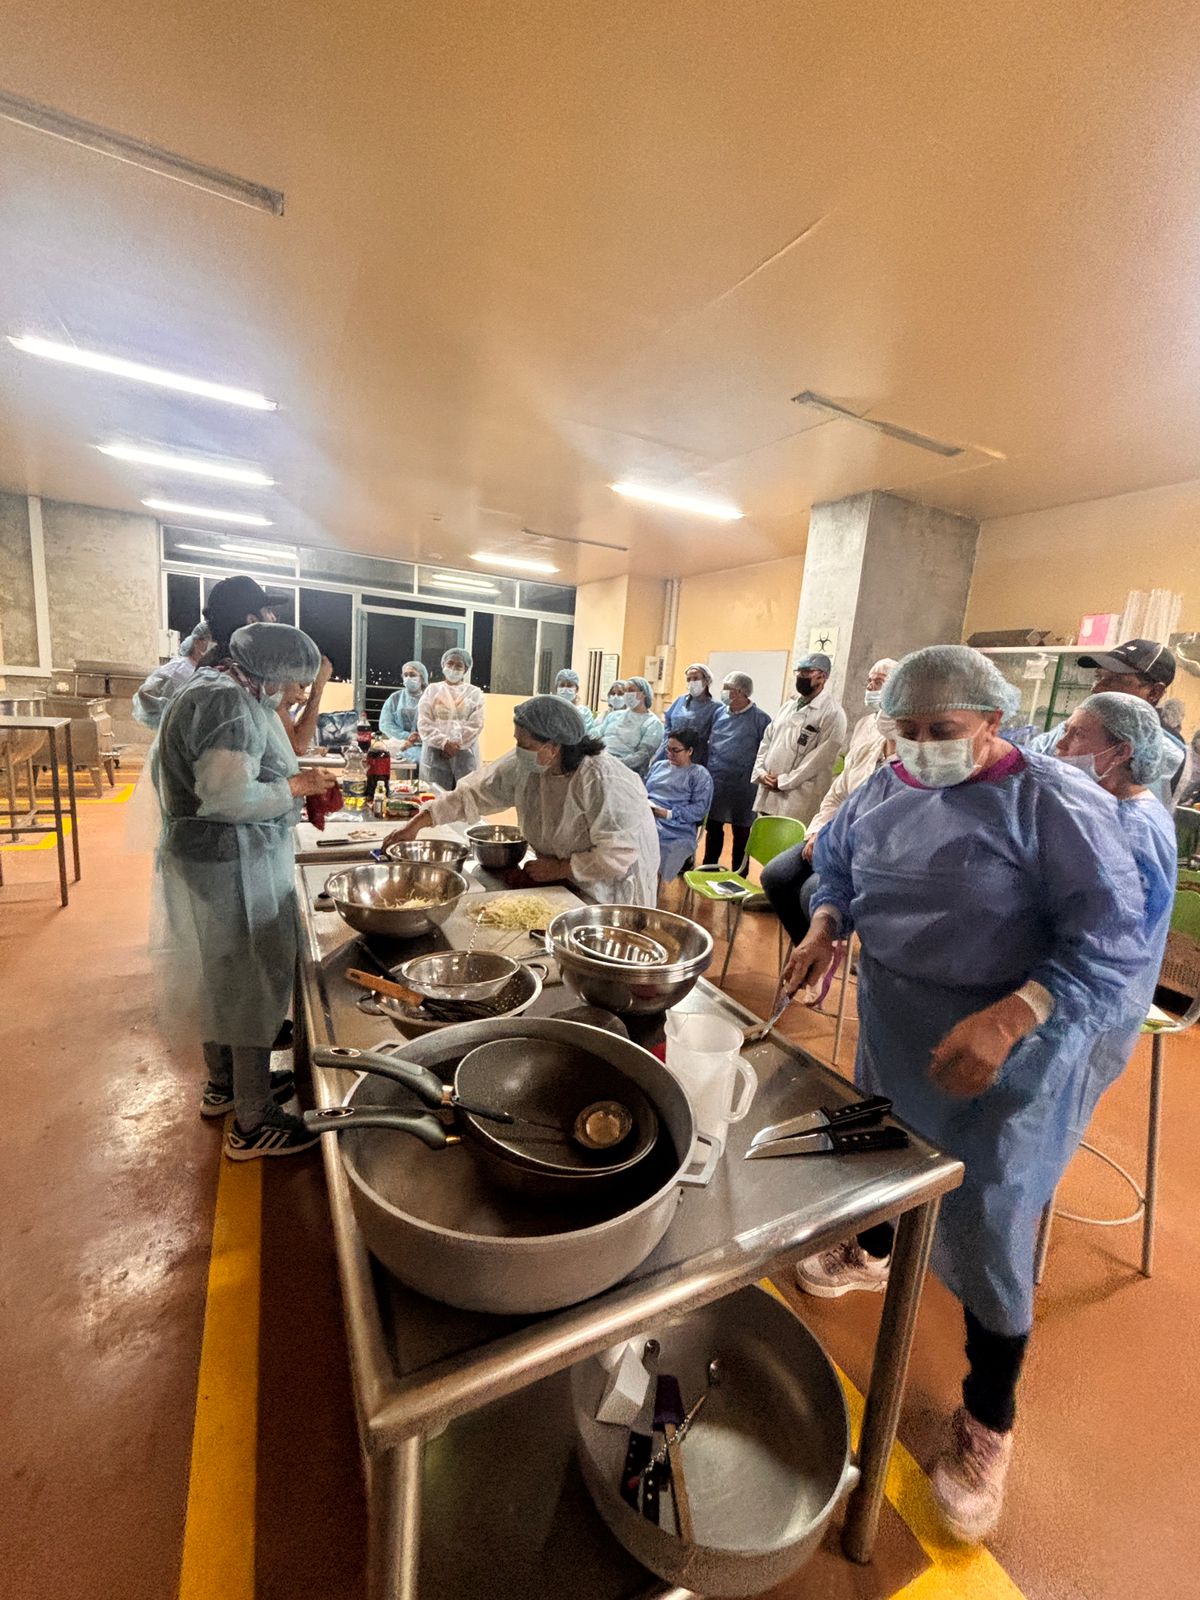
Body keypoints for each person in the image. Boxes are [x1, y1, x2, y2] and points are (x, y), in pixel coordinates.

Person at [783, 645, 1151, 1543]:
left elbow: (1109, 941)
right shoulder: (887, 787)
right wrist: (827, 924)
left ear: (993, 720)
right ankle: (871, 1250)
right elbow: (839, 869)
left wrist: (1012, 1016)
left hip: (1008, 1051)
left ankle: (990, 1420)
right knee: (883, 1153)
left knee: (991, 1221)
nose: (921, 747)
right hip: (898, 1023)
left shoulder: (1055, 804)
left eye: (941, 730)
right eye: (905, 730)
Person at [153, 623, 339, 1159]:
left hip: (212, 859)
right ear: (274, 671)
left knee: (222, 973)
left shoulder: (225, 688)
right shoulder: (228, 705)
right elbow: (227, 797)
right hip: (229, 862)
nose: (300, 695)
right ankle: (253, 1121)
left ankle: (225, 1084)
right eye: (300, 683)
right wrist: (298, 786)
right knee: (249, 981)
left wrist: (292, 781)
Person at [384, 693, 659, 904]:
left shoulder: (602, 780)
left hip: (609, 892)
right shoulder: (530, 766)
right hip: (564, 885)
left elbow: (617, 854)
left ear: (553, 746)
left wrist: (560, 868)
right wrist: (418, 823)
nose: (518, 751)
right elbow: (474, 793)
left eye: (524, 745)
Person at [1054, 692, 1177, 1114]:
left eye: (1076, 734)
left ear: (1122, 752)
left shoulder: (1135, 830)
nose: (1061, 744)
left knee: (1029, 1126)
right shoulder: (1110, 809)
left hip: (1082, 1010)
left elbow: (1104, 942)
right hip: (1074, 1001)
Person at [761, 658, 898, 943]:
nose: (870, 688)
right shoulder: (867, 739)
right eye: (869, 681)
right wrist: (818, 831)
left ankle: (825, 947)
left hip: (866, 849)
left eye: (878, 682)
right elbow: (838, 793)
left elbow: (819, 759)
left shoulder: (911, 764)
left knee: (810, 892)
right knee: (775, 876)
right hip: (834, 832)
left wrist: (786, 780)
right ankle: (806, 945)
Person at [1026, 638, 1185, 806]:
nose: (1096, 688)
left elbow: (1129, 813)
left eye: (1115, 680)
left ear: (1154, 692)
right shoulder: (1069, 729)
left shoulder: (1162, 757)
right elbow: (1029, 762)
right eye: (1098, 677)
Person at [751, 652, 847, 824]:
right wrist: (761, 772)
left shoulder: (833, 713)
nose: (800, 677)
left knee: (790, 838)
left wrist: (784, 782)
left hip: (799, 797)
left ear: (822, 677)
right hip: (769, 789)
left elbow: (819, 759)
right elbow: (767, 741)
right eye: (799, 672)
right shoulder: (787, 707)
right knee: (765, 837)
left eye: (806, 673)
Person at [699, 673, 771, 868]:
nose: (723, 692)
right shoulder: (719, 714)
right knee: (713, 827)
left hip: (743, 785)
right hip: (717, 780)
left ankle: (739, 873)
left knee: (742, 832)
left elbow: (766, 752)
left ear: (740, 692)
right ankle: (709, 869)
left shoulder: (760, 719)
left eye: (727, 688)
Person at [646, 727, 714, 880]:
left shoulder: (699, 775)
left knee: (654, 844)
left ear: (690, 751)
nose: (669, 754)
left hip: (676, 827)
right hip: (649, 817)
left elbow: (699, 809)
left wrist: (669, 814)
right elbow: (643, 791)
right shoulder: (658, 767)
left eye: (675, 750)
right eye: (668, 749)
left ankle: (653, 886)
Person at [417, 647, 485, 790]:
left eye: (459, 665)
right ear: (443, 665)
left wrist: (456, 744)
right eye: (450, 663)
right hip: (436, 753)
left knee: (465, 796)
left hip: (465, 754)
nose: (453, 668)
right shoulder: (432, 690)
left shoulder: (474, 693)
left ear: (465, 669)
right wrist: (443, 743)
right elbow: (424, 722)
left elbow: (476, 724)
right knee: (435, 796)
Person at [132, 623, 212, 728]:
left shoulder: (208, 670)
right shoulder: (178, 667)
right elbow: (146, 692)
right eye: (209, 639)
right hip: (175, 727)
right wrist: (169, 709)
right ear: (197, 642)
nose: (213, 644)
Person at [597, 676, 664, 777]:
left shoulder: (653, 723)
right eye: (626, 691)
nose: (627, 694)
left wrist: (615, 764)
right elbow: (598, 735)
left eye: (631, 690)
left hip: (625, 772)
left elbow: (642, 756)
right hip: (599, 761)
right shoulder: (614, 716)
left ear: (644, 694)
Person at [653, 663, 719, 766]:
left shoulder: (715, 707)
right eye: (689, 679)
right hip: (670, 753)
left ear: (706, 681)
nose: (692, 682)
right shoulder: (680, 701)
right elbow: (668, 724)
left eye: (695, 678)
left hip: (696, 757)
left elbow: (716, 738)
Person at [379, 660, 429, 765]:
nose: (408, 678)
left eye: (412, 675)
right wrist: (406, 736)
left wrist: (422, 737)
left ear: (422, 678)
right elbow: (386, 724)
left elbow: (438, 723)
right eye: (405, 675)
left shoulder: (430, 698)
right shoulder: (395, 698)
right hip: (402, 744)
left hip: (427, 745)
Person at [553, 667, 597, 735]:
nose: (565, 689)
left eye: (569, 686)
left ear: (577, 689)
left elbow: (588, 734)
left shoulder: (584, 712)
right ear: (556, 688)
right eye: (562, 685)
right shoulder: (551, 710)